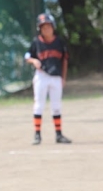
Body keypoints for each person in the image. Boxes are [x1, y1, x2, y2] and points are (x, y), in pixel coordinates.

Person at [24, 12, 72, 145]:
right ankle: (37, 135)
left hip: (56, 77)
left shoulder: (59, 42)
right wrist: (33, 61)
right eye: (43, 27)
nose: (46, 29)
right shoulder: (36, 42)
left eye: (48, 26)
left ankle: (59, 135)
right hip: (42, 76)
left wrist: (63, 78)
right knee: (39, 105)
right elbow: (27, 56)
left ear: (53, 27)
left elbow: (64, 60)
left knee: (56, 106)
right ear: (40, 29)